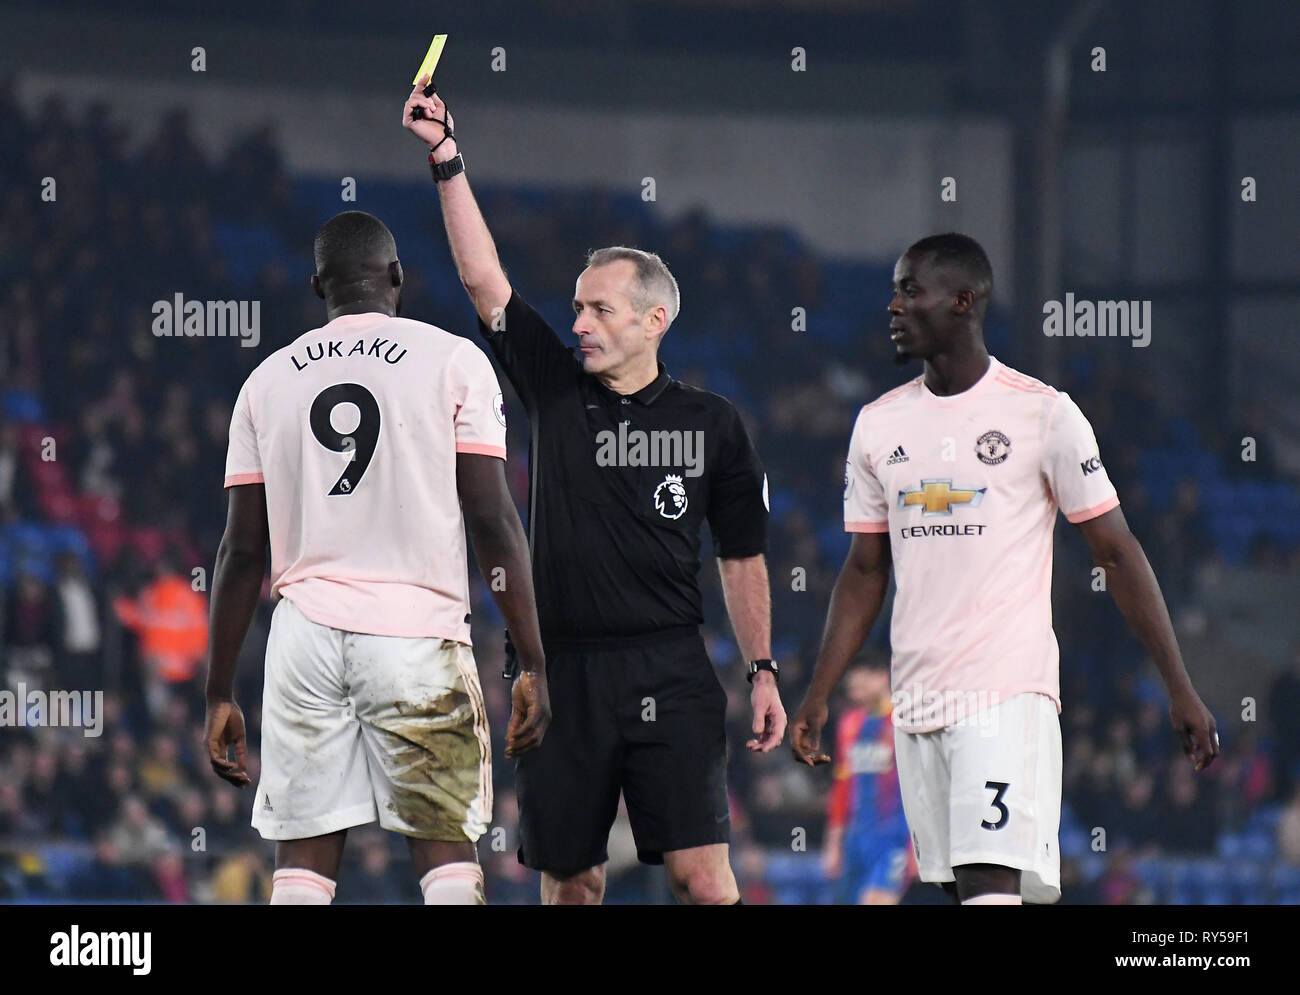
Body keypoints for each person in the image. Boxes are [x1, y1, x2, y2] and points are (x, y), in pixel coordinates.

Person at [403, 78, 786, 905]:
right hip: (560, 669)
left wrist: (761, 668)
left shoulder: (713, 423)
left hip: (671, 665)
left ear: (653, 321)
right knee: (572, 884)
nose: (576, 322)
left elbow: (744, 555)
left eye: (597, 309)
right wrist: (445, 157)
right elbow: (484, 281)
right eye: (575, 307)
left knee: (703, 878)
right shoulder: (553, 389)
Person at [790, 232, 1219, 905]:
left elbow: (1117, 551)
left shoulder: (1043, 414)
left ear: (963, 301)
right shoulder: (877, 425)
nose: (894, 305)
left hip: (1005, 695)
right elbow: (865, 569)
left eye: (911, 289)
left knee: (992, 887)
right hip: (916, 697)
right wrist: (819, 688)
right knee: (959, 889)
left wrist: (1179, 685)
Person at [203, 210, 549, 905]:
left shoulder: (265, 383)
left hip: (302, 636)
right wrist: (534, 655)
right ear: (396, 277)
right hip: (414, 630)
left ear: (317, 287)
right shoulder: (453, 360)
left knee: (301, 859)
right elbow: (491, 517)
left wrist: (217, 691)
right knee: (445, 847)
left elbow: (241, 552)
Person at [822, 659, 913, 904]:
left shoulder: (906, 720)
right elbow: (842, 785)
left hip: (895, 834)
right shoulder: (849, 723)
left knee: (877, 900)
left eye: (861, 674)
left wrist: (918, 843)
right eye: (851, 676)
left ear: (883, 676)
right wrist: (833, 842)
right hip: (857, 834)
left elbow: (921, 784)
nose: (853, 681)